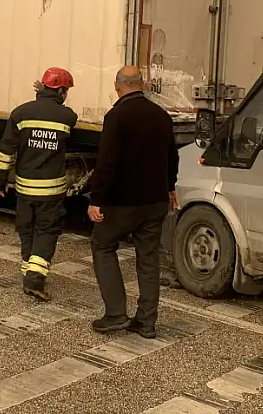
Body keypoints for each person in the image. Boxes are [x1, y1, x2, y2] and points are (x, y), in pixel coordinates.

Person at [88, 66, 180, 338]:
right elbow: (172, 156)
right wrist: (170, 187)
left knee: (103, 246)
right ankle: (146, 322)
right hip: (154, 202)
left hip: (121, 203)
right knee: (148, 259)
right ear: (143, 84)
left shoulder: (116, 116)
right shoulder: (162, 116)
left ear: (118, 87)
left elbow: (107, 162)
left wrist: (96, 199)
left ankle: (116, 314)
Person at [0, 67, 79, 302]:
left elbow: (7, 150)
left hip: (24, 187)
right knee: (47, 230)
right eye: (67, 91)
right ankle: (34, 278)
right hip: (51, 191)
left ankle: (29, 271)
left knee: (26, 228)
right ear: (61, 91)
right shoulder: (67, 117)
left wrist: (1, 178)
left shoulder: (20, 114)